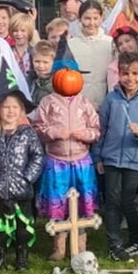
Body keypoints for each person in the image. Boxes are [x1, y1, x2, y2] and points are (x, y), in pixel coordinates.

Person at [32, 44, 102, 261]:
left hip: (81, 161)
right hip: (57, 162)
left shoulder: (85, 103)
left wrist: (84, 134)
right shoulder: (48, 102)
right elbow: (38, 128)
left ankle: (80, 245)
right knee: (60, 204)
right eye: (63, 75)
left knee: (80, 204)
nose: (68, 79)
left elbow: (96, 130)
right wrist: (54, 132)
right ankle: (59, 246)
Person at [95, 54, 138, 260]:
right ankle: (114, 244)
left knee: (128, 201)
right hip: (112, 158)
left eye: (135, 74)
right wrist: (98, 156)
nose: (130, 78)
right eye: (125, 74)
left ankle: (136, 239)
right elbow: (101, 129)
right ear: (119, 75)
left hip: (135, 159)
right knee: (112, 201)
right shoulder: (112, 98)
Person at [0, 85, 45, 271]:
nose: (10, 111)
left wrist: (27, 177)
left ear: (21, 111)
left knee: (22, 229)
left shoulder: (28, 134)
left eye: (15, 107)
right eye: (6, 107)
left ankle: (21, 257)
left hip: (22, 190)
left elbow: (38, 156)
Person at [66, 3, 114, 113]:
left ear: (102, 19)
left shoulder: (110, 43)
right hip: (79, 107)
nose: (91, 23)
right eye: (87, 18)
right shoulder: (70, 44)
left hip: (106, 105)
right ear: (79, 19)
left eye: (95, 18)